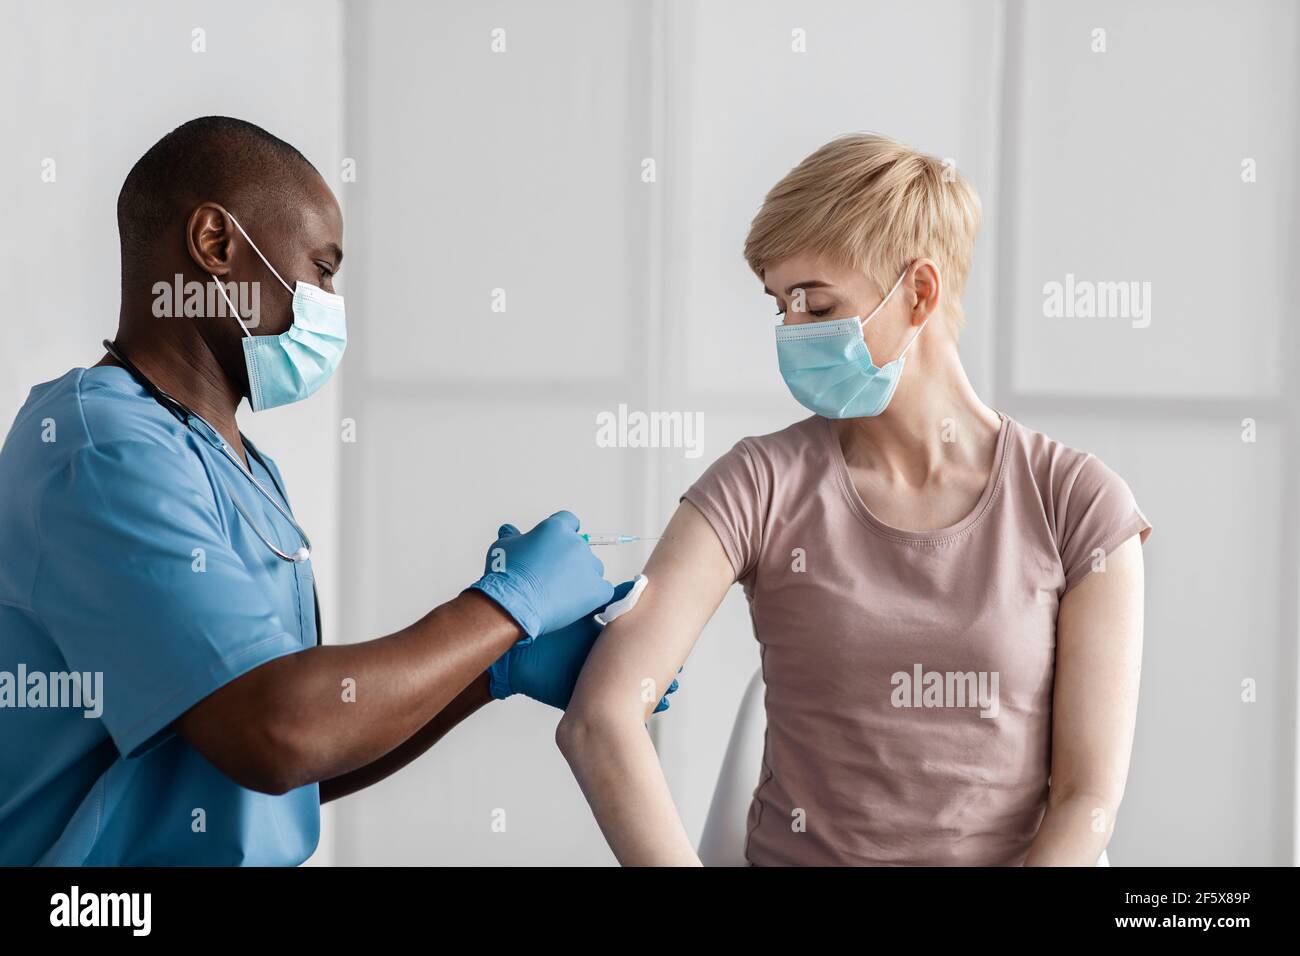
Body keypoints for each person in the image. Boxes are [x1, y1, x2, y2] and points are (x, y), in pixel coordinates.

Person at [0, 116, 670, 866]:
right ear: (217, 246)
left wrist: (490, 670)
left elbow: (288, 765)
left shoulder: (240, 466)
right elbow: (276, 734)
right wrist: (502, 607)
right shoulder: (101, 449)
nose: (329, 301)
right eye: (322, 269)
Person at [557, 133, 1152, 866]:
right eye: (780, 307)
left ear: (919, 293)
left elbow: (1087, 799)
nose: (789, 334)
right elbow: (601, 718)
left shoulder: (1078, 506)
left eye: (816, 306)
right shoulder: (758, 485)